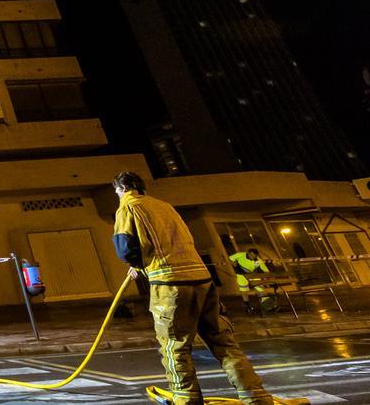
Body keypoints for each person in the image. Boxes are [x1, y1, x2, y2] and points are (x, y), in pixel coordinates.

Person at [111, 171, 305, 405]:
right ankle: (256, 396)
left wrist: (138, 265)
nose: (117, 194)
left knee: (175, 347)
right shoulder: (165, 206)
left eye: (116, 191)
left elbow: (125, 248)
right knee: (224, 342)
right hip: (203, 281)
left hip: (170, 284)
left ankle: (186, 399)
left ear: (121, 188)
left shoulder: (128, 207)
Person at [229, 249, 274, 313]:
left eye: (254, 256)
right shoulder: (241, 255)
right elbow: (230, 258)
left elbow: (265, 270)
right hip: (241, 275)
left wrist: (267, 276)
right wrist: (235, 265)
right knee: (244, 291)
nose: (252, 257)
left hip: (252, 274)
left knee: (260, 289)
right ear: (248, 253)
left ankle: (268, 305)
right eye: (251, 255)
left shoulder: (258, 260)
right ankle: (247, 306)